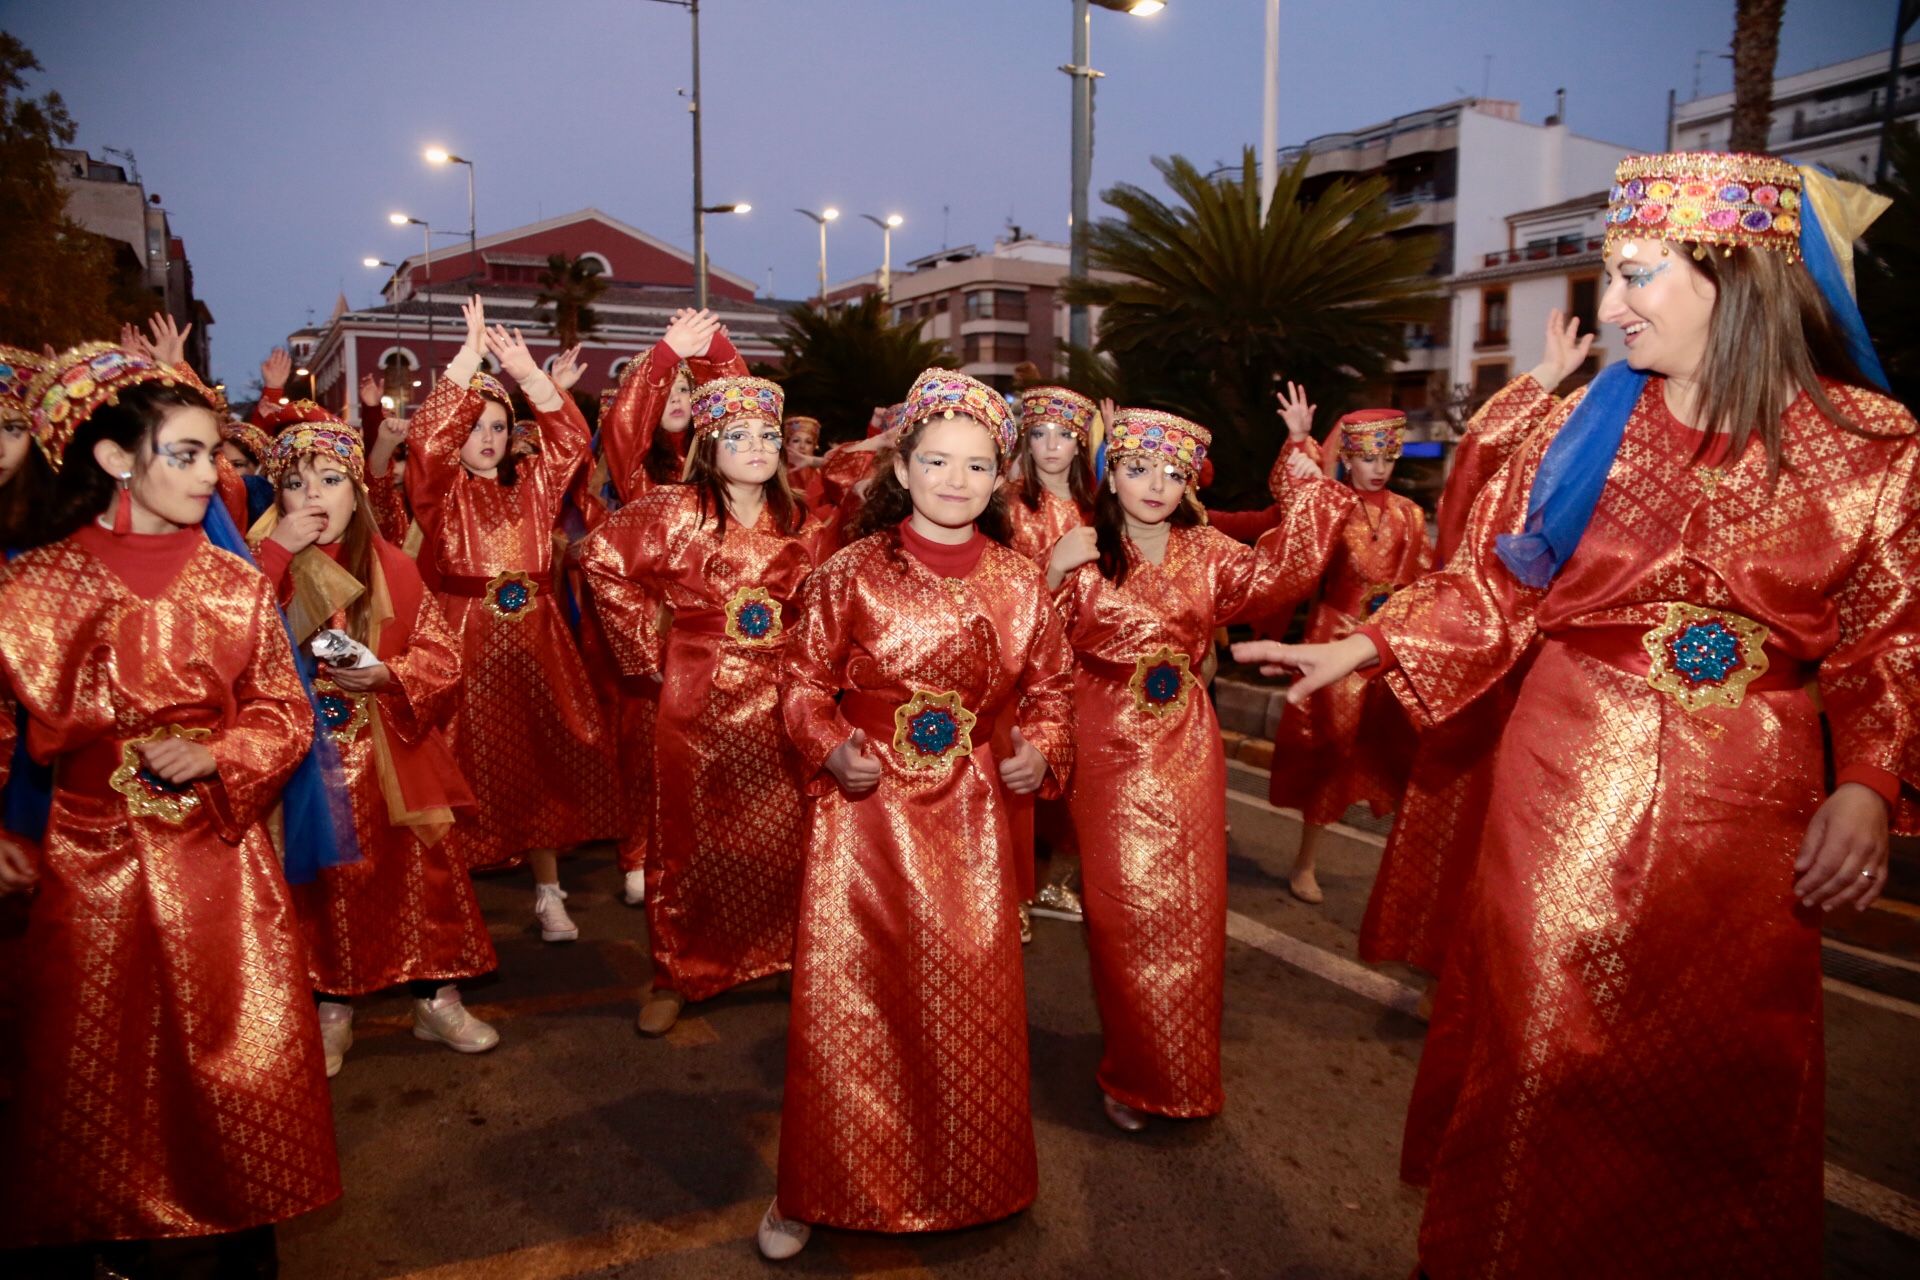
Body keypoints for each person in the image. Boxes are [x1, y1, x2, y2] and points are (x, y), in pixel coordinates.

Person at [1234, 153, 1916, 1278]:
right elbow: (1498, 585)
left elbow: (1895, 635)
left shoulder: (1875, 445)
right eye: (1612, 274)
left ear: (1736, 274)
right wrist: (1359, 642)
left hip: (1756, 799)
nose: (1613, 306)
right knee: (1546, 1040)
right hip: (1567, 766)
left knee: (1724, 1065)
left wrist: (1868, 780)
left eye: (1640, 274)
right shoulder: (1578, 436)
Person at [0, 344, 339, 1274]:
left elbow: (282, 709)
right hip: (85, 865)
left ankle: (238, 1239)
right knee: (93, 1063)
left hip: (218, 864)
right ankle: (108, 1238)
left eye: (210, 456)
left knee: (237, 1061)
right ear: (114, 459)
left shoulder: (234, 582)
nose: (208, 475)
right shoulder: (30, 587)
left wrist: (222, 751)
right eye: (184, 455)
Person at [760, 369, 1074, 1260]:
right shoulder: (847, 572)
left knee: (969, 994)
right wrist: (827, 745)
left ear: (1001, 477)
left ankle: (971, 1180)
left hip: (969, 816)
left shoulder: (1021, 583)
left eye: (976, 466)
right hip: (863, 814)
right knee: (850, 998)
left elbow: (1051, 688)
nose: (953, 479)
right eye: (935, 459)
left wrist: (1042, 749)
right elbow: (801, 680)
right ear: (902, 463)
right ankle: (812, 1189)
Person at [1048, 407, 1354, 1132]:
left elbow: (1286, 571)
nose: (1156, 484)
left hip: (1186, 740)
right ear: (1110, 474)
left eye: (1173, 471)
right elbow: (1020, 646)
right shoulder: (1081, 549)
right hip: (1105, 743)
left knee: (1190, 910)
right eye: (1138, 466)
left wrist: (1303, 466)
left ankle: (1177, 1073)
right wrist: (1049, 571)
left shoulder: (1210, 551)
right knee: (1123, 915)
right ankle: (1130, 1071)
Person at [253, 415, 498, 1076]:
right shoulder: (251, 568)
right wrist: (275, 560)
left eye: (330, 479)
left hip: (392, 750)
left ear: (357, 488)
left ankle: (435, 996)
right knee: (323, 886)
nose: (313, 496)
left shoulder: (391, 563)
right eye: (295, 483)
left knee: (423, 876)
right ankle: (332, 1006)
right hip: (304, 763)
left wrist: (390, 676)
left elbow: (442, 659)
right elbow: (230, 652)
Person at [583, 373, 816, 1035]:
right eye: (739, 435)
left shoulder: (798, 517)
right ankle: (679, 972)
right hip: (697, 691)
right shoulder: (674, 509)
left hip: (779, 695)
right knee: (687, 835)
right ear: (709, 445)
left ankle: (785, 955)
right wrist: (645, 654)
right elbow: (600, 557)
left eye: (769, 435)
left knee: (784, 836)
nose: (758, 446)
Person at [1360, 312, 1589, 983]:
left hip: (1592, 708)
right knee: (1474, 840)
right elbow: (1483, 456)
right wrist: (1546, 376)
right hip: (1494, 669)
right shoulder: (1525, 506)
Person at [406, 298, 622, 942]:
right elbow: (426, 440)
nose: (487, 437)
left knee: (540, 763)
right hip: (463, 640)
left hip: (536, 643)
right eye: (474, 427)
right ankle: (452, 905)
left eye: (498, 426)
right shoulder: (441, 495)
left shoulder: (531, 486)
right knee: (456, 766)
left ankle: (549, 893)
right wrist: (469, 358)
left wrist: (532, 378)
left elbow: (568, 443)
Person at [595, 309, 744, 906]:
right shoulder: (640, 474)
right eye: (669, 389)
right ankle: (638, 853)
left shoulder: (720, 468)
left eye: (689, 387)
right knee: (645, 749)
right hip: (655, 630)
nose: (680, 396)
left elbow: (741, 408)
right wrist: (661, 359)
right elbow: (622, 430)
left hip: (722, 631)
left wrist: (718, 349)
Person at [1263, 408, 1432, 904]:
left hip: (1387, 641)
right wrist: (1298, 442)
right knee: (1332, 747)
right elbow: (1292, 500)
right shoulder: (1331, 504)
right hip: (1334, 635)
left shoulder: (1410, 514)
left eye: (1387, 457)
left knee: (1394, 748)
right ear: (1350, 459)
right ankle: (1306, 860)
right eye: (1367, 457)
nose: (1378, 467)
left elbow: (1420, 580)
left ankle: (1402, 869)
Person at [1005, 384, 1100, 922]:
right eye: (1039, 433)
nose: (1051, 446)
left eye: (1065, 434)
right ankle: (1012, 887)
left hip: (1084, 661)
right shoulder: (1006, 504)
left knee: (1074, 770)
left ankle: (1057, 881)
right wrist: (1056, 568)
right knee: (1016, 771)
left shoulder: (1096, 507)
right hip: (1022, 663)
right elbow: (999, 596)